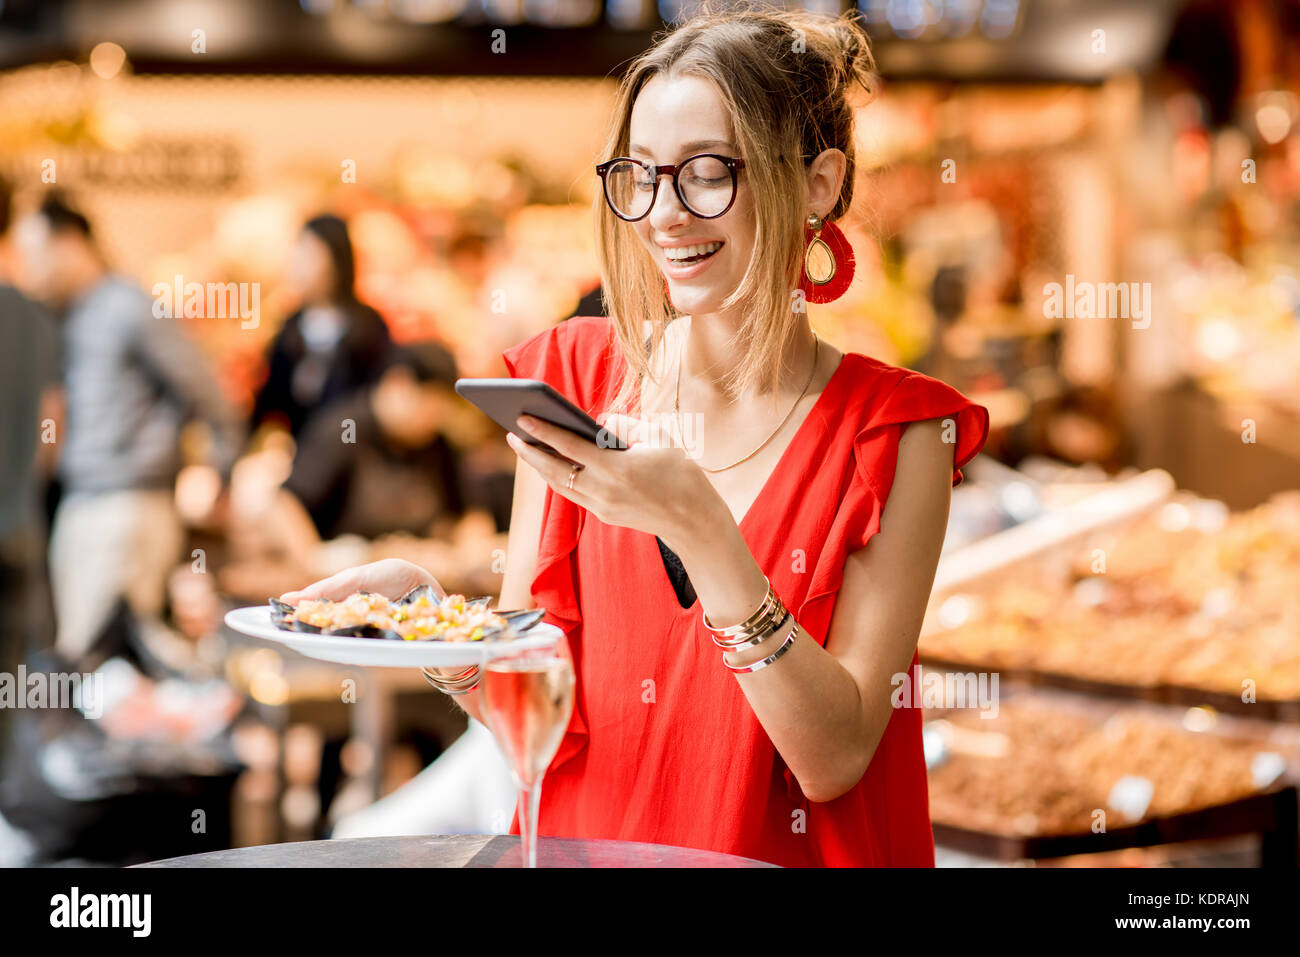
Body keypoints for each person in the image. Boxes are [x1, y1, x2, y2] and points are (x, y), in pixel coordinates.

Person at [284, 6, 989, 867]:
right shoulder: (574, 380)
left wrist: (703, 532)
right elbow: (529, 705)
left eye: (707, 173)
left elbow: (835, 757)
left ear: (817, 181)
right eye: (642, 175)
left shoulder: (895, 433)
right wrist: (427, 619)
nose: (664, 214)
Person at [13, 194, 243, 664]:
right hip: (81, 502)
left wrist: (222, 475)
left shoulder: (130, 307)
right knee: (77, 652)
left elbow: (206, 392)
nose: (33, 272)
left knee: (107, 656)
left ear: (70, 244)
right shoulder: (67, 316)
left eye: (38, 257)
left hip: (127, 505)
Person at [264, 342, 475, 570]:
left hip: (414, 576)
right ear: (398, 383)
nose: (433, 420)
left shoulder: (436, 442)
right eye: (430, 407)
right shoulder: (347, 429)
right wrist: (313, 562)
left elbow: (466, 514)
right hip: (347, 574)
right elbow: (287, 501)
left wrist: (464, 554)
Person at [249, 214, 392, 439]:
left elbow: (378, 398)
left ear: (335, 260)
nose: (298, 266)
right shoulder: (291, 327)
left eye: (309, 255)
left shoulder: (368, 327)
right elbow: (271, 401)